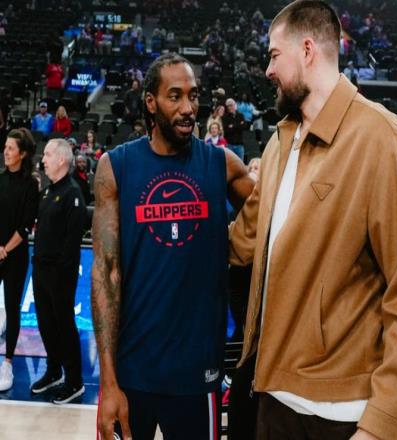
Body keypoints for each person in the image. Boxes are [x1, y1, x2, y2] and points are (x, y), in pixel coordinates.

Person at [228, 2, 397, 440]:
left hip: (340, 415)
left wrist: (382, 425)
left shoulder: (379, 136)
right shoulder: (278, 144)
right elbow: (241, 245)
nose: (268, 70)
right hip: (270, 397)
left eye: (274, 55)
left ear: (307, 50)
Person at [91, 54, 254, 440]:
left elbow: (274, 223)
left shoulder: (222, 165)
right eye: (175, 96)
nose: (187, 108)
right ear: (151, 102)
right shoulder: (116, 167)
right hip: (131, 372)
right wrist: (108, 383)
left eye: (193, 96)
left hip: (197, 374)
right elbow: (106, 274)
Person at [30, 138, 86, 404]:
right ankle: (53, 372)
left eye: (48, 155)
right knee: (46, 324)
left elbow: (71, 243)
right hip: (40, 270)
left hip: (59, 274)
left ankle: (74, 381)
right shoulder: (46, 192)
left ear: (62, 159)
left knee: (63, 325)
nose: (43, 160)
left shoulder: (73, 193)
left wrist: (59, 273)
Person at [0, 128, 38, 392]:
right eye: (5, 147)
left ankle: (8, 363)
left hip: (16, 255)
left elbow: (26, 225)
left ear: (22, 154)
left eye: (11, 148)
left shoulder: (30, 185)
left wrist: (4, 249)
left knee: (13, 308)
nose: (6, 152)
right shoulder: (0, 179)